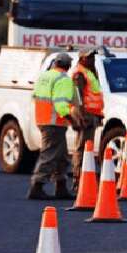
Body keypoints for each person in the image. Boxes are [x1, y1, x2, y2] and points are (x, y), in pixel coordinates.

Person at [27, 53, 76, 200]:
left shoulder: (44, 76)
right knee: (49, 155)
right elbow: (61, 105)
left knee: (61, 156)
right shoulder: (63, 79)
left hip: (43, 120)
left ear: (55, 63)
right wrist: (73, 119)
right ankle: (37, 186)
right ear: (68, 66)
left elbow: (34, 96)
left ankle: (61, 187)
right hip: (54, 122)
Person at [70, 47, 104, 191]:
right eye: (89, 57)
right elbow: (77, 97)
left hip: (92, 114)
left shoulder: (90, 72)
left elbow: (94, 95)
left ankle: (83, 178)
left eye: (93, 57)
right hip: (84, 114)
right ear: (82, 58)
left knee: (87, 147)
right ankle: (78, 179)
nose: (93, 59)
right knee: (82, 147)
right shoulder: (80, 74)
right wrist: (82, 116)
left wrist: (98, 114)